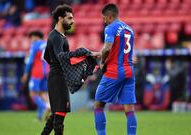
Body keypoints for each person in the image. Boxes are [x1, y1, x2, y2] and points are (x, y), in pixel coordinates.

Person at [41, 4, 99, 135]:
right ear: (60, 19)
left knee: (56, 114)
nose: (73, 21)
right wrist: (85, 53)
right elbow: (61, 56)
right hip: (57, 79)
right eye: (70, 18)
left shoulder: (58, 36)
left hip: (57, 77)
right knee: (60, 116)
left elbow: (47, 57)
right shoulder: (56, 37)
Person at [94, 3, 137, 135]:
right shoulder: (129, 29)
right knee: (129, 108)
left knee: (98, 105)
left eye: (104, 18)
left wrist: (102, 62)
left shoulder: (111, 28)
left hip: (114, 71)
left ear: (110, 16)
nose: (104, 21)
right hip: (129, 71)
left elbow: (107, 47)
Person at [21, 31, 50, 121]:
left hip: (37, 71)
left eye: (32, 37)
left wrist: (26, 73)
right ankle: (40, 116)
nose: (31, 40)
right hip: (47, 71)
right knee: (42, 93)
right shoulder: (47, 44)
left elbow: (30, 61)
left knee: (33, 93)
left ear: (36, 37)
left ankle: (46, 107)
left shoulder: (35, 45)